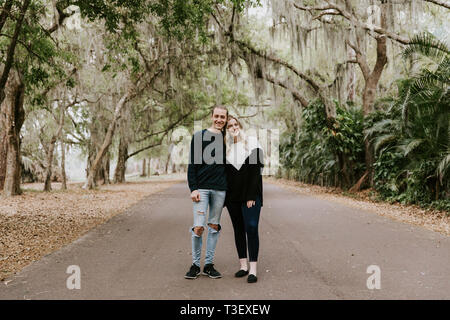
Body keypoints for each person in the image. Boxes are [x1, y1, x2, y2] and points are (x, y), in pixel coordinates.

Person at [185, 105, 228, 279]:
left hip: (220, 189)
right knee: (198, 227)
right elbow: (191, 165)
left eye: (222, 117)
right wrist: (193, 188)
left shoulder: (227, 139)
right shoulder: (199, 136)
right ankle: (195, 265)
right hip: (201, 189)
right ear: (211, 117)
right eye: (216, 116)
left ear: (226, 119)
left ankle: (208, 264)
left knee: (214, 226)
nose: (219, 120)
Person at [225, 115, 264, 283]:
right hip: (233, 197)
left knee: (251, 226)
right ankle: (243, 266)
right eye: (230, 126)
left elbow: (256, 172)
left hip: (250, 195)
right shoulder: (225, 148)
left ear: (240, 126)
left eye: (236, 124)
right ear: (226, 130)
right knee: (238, 229)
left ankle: (253, 269)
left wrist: (250, 195)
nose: (233, 127)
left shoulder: (252, 142)